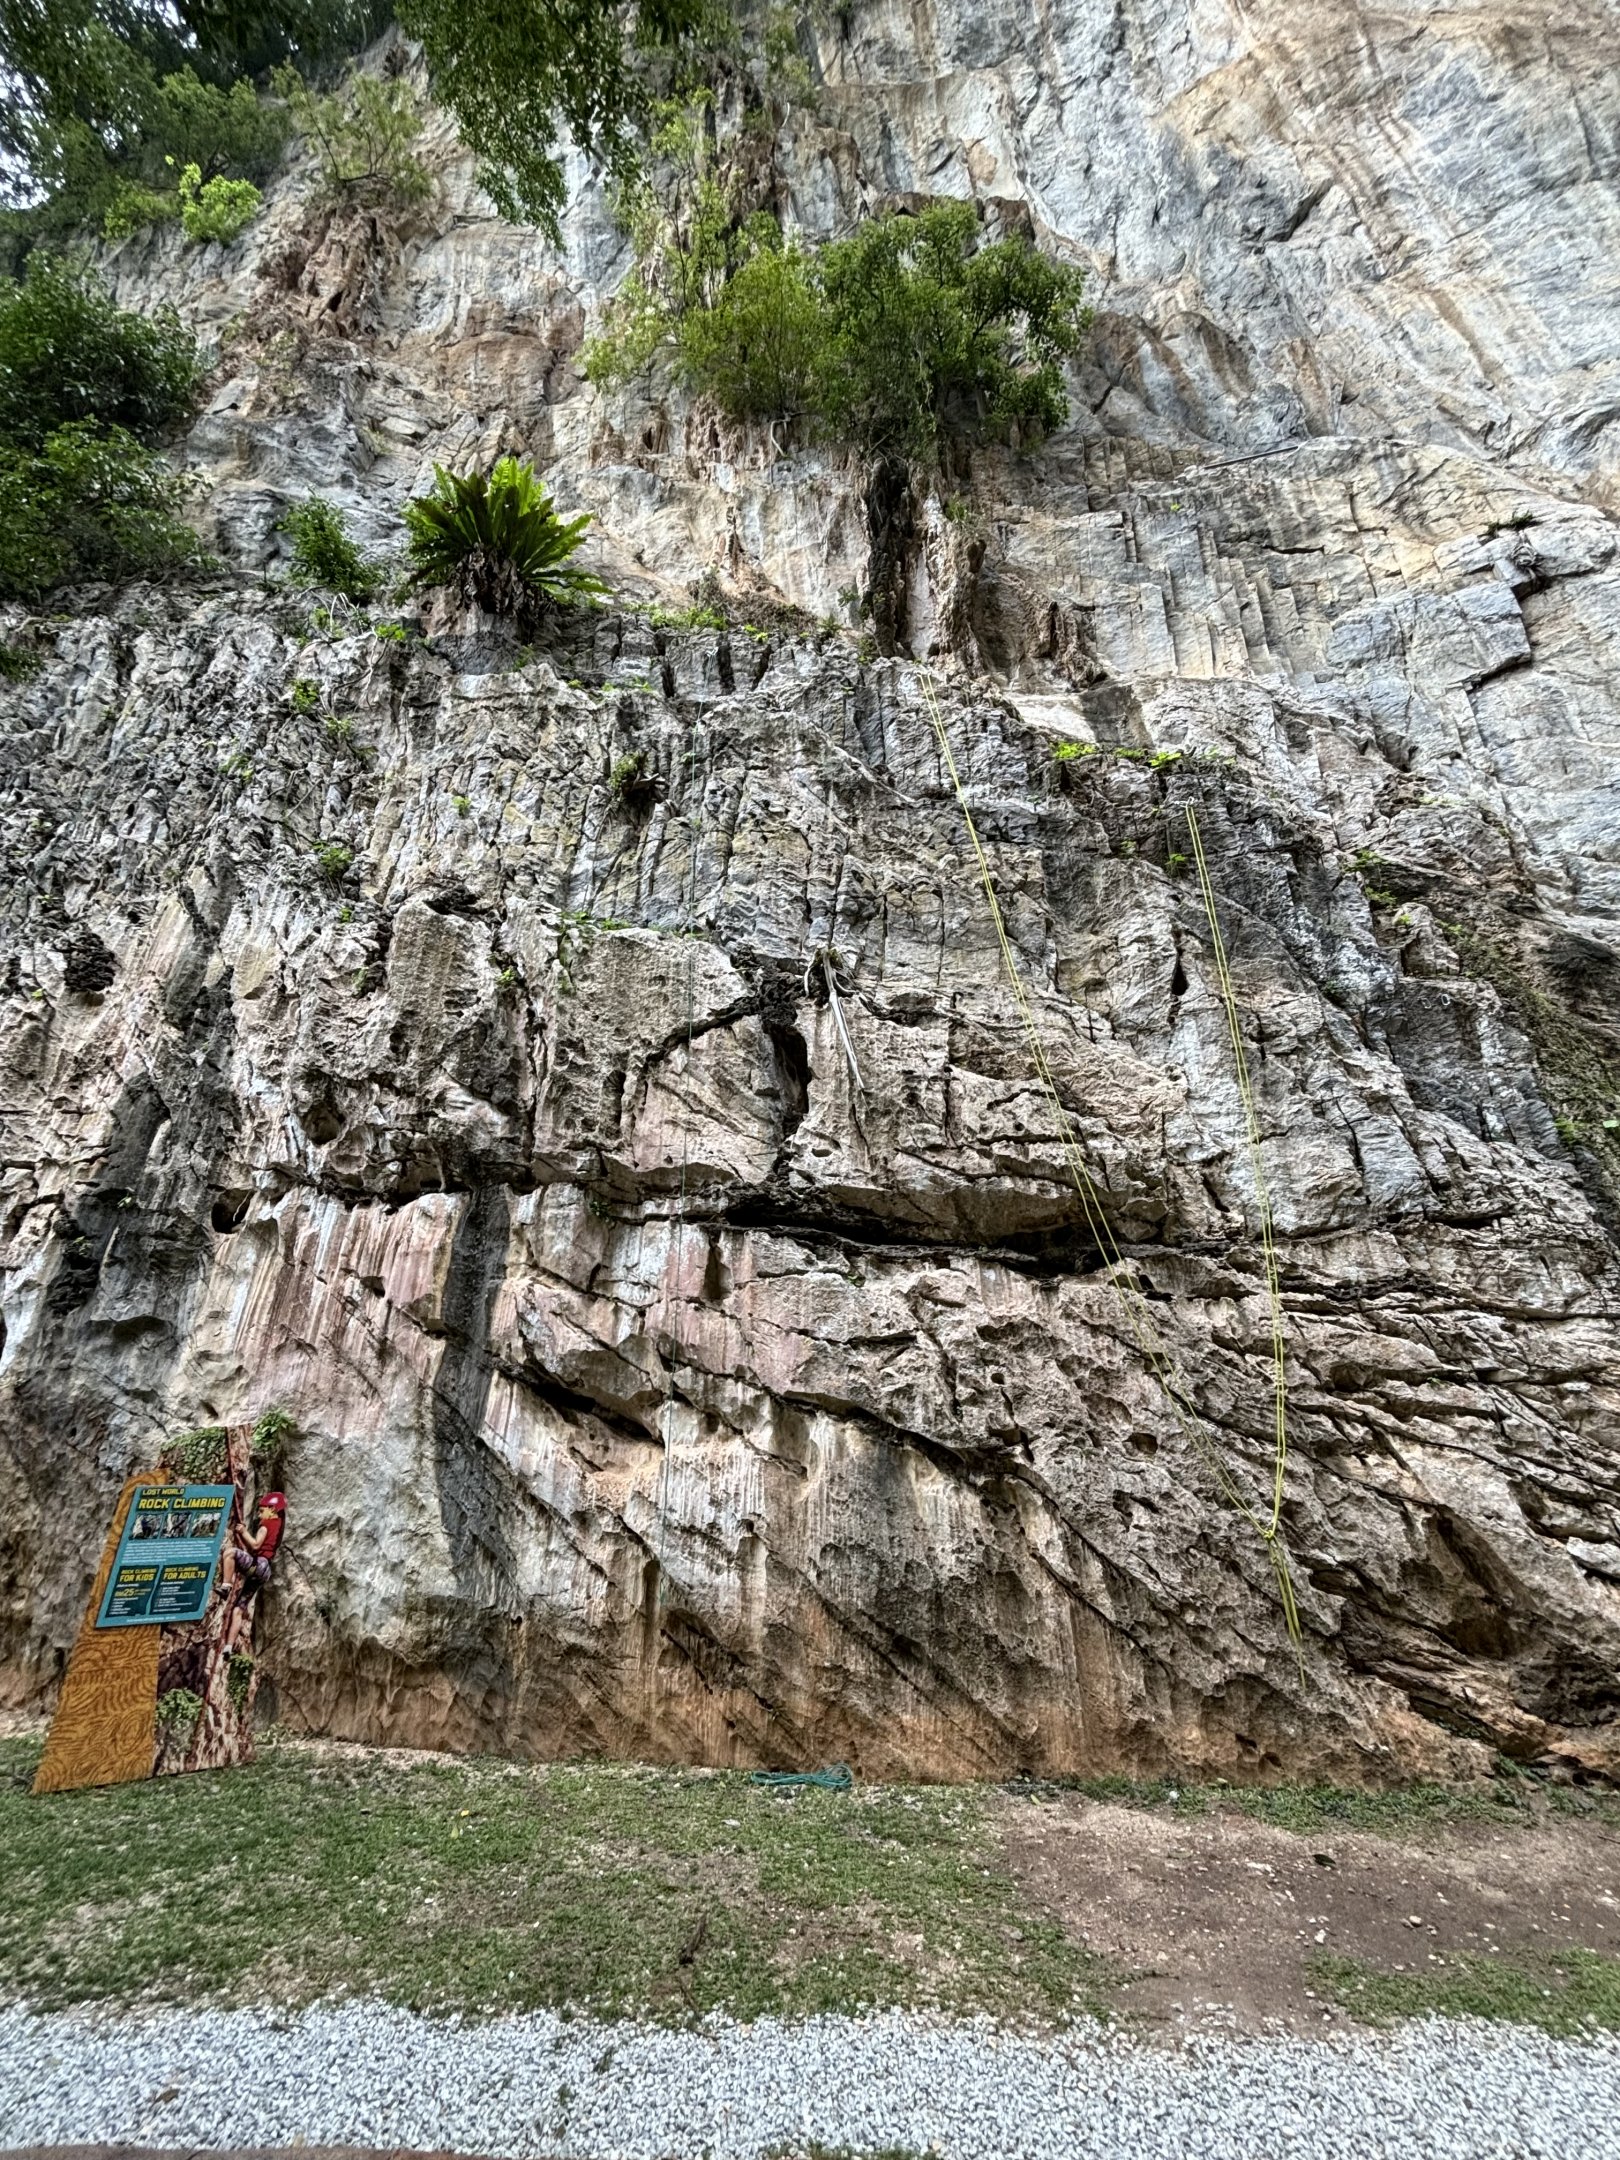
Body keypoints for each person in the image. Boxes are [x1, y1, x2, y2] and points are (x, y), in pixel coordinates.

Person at [220, 1492, 286, 1651]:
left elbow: (256, 1546)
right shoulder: (278, 1524)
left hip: (258, 1565)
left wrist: (243, 1532)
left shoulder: (266, 1524)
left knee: (229, 1553)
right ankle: (228, 1647)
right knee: (239, 1608)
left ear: (272, 1509)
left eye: (262, 1509)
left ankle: (226, 1586)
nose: (259, 1513)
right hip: (265, 1571)